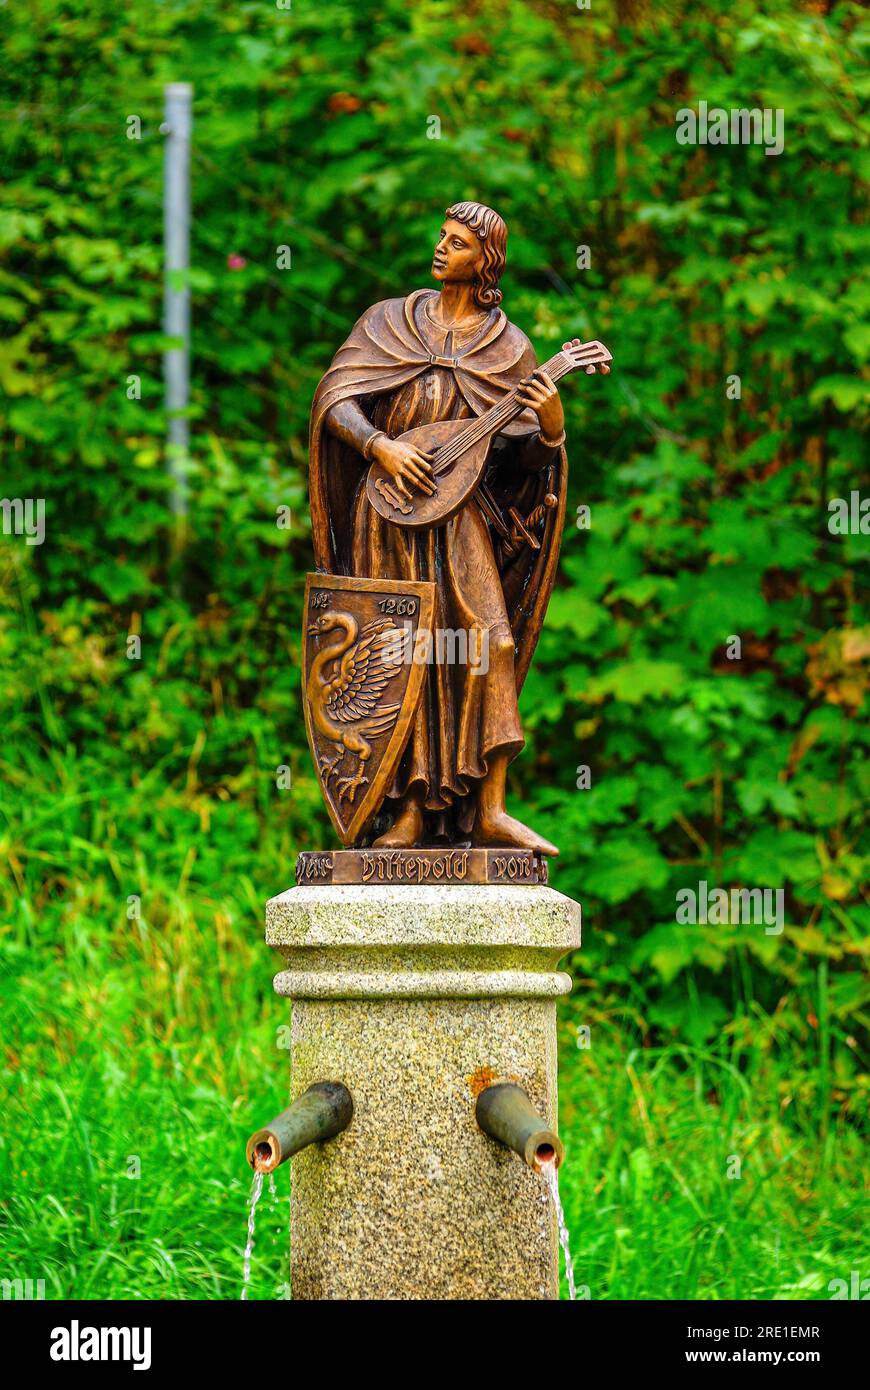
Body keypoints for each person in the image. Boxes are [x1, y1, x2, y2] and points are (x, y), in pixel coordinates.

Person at [308, 201, 569, 855]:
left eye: (458, 243)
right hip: (390, 513)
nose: (441, 247)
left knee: (489, 642)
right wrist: (380, 447)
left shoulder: (509, 348)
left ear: (485, 262)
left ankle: (490, 808)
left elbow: (520, 463)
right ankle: (407, 816)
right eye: (442, 237)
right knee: (400, 656)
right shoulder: (389, 322)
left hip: (461, 519)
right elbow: (335, 399)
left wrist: (552, 427)